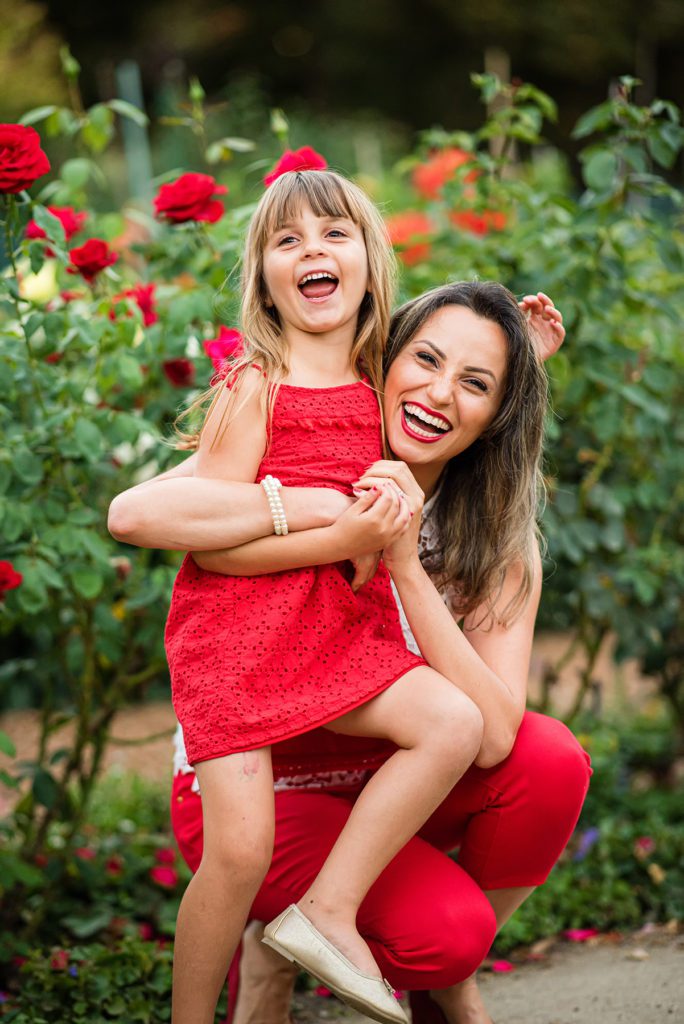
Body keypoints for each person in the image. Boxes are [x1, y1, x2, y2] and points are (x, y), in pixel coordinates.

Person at [110, 280, 590, 1024]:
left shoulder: (493, 543)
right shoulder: (297, 439)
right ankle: (289, 942)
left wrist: (401, 560)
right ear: (382, 361)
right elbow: (138, 511)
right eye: (423, 359)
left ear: (498, 415)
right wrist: (321, 512)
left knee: (549, 760)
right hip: (261, 785)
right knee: (447, 937)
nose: (437, 393)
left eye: (475, 385)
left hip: (387, 782)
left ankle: (377, 951)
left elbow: (495, 737)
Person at [132, 170, 503, 1024]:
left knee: (452, 723)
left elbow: (448, 425)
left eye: (334, 235)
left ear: (371, 264)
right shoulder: (253, 385)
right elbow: (211, 544)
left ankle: (327, 911)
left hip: (336, 631)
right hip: (234, 640)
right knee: (239, 851)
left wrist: (523, 349)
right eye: (287, 240)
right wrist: (342, 537)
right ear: (264, 273)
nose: (312, 252)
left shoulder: (381, 386)